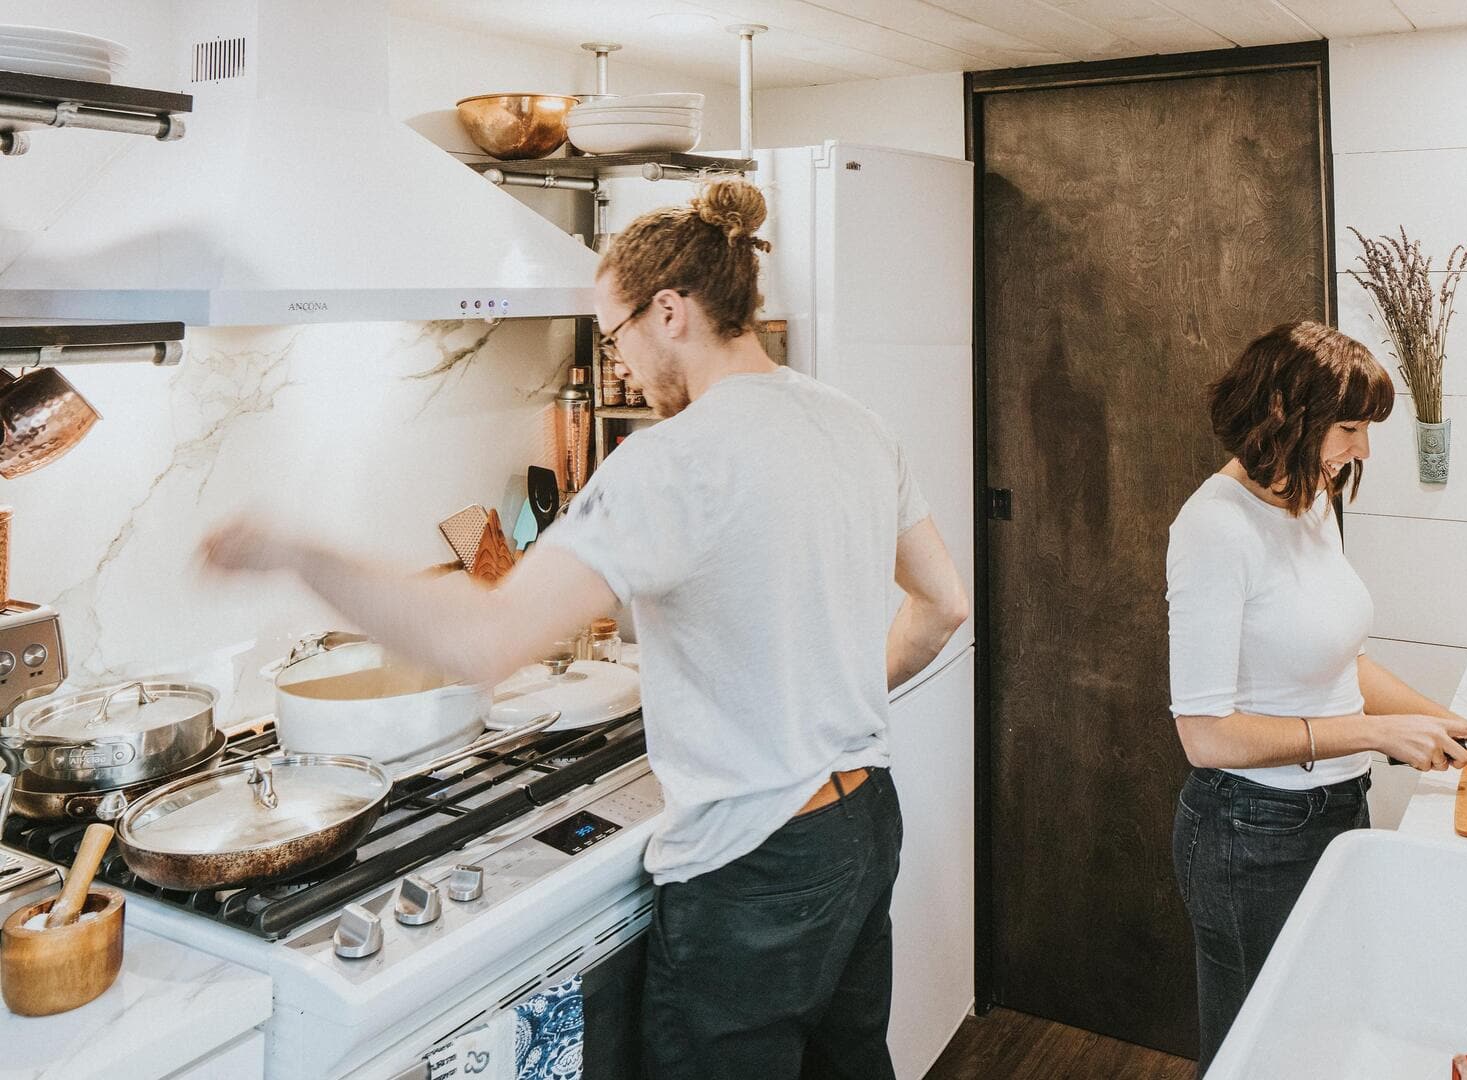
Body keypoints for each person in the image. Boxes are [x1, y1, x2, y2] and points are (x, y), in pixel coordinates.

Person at [199, 178, 971, 1080]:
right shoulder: (853, 422)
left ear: (671, 311)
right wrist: (822, 704)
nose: (623, 368)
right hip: (862, 825)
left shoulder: (672, 461)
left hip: (752, 862)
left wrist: (297, 555)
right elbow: (943, 606)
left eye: (617, 338)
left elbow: (483, 643)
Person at [1165, 320, 1467, 1070]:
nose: (1362, 450)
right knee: (1262, 1055)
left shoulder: (1311, 498)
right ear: (1287, 413)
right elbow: (1206, 735)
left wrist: (1452, 725)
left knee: (1321, 1041)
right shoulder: (1214, 530)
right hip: (1249, 833)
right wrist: (1378, 736)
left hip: (1336, 811)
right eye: (1350, 428)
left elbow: (1340, 661)